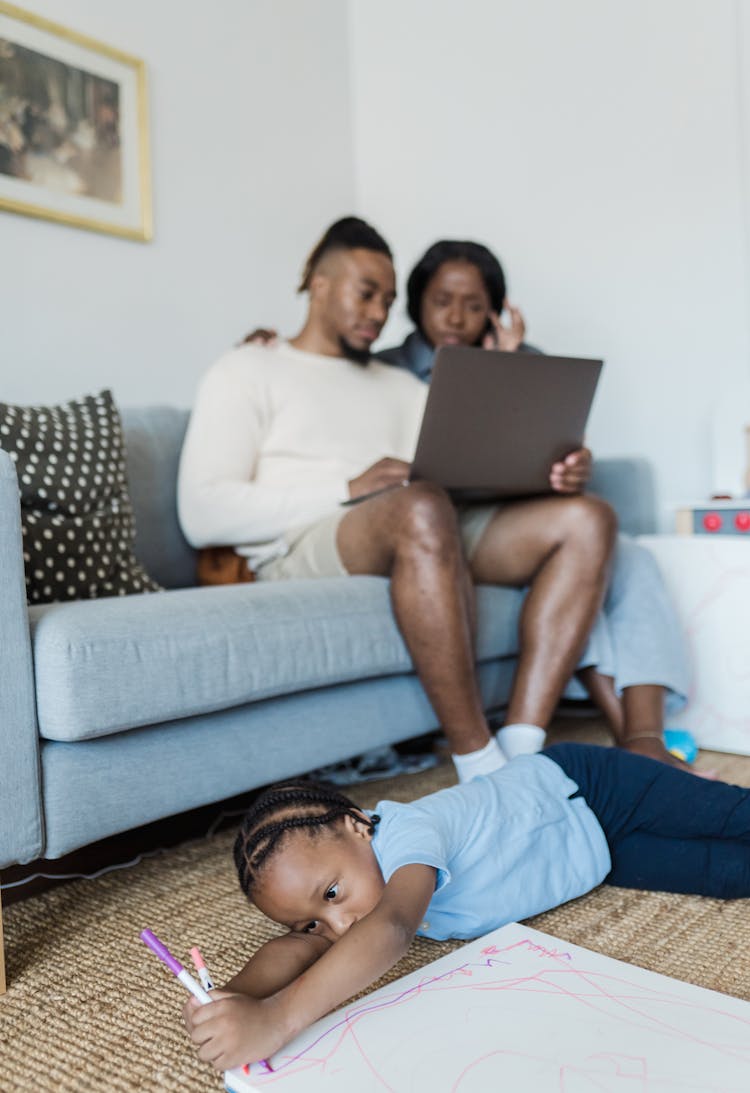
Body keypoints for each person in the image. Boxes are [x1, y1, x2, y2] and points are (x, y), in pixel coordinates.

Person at [178, 217, 617, 784]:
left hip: (419, 525)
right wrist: (346, 489)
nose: (379, 312)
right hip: (303, 541)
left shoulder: (403, 386)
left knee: (587, 520)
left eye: (387, 300)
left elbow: (475, 469)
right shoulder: (247, 368)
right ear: (318, 284)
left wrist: (557, 463)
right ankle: (480, 765)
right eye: (366, 293)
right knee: (420, 505)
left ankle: (524, 745)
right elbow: (201, 512)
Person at [183, 750, 750, 1070]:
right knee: (728, 876)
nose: (337, 924)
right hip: (593, 852)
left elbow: (394, 929)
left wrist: (279, 1019)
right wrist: (236, 996)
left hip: (595, 788)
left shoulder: (405, 834)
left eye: (331, 895)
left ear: (359, 826)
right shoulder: (352, 895)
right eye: (313, 919)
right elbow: (301, 949)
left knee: (734, 816)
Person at [375, 240, 690, 769]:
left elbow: (552, 453)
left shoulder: (527, 360)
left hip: (516, 517)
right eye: (441, 301)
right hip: (442, 526)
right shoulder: (384, 369)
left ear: (495, 308)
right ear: (416, 302)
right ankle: (638, 753)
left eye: (473, 304)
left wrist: (573, 469)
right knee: (595, 538)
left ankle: (642, 739)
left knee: (630, 553)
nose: (456, 317)